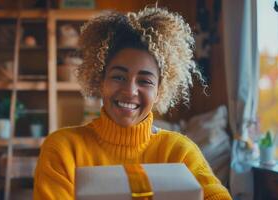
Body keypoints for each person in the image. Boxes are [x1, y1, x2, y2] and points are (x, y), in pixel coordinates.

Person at [34, 6, 232, 200]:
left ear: (159, 90)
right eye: (118, 77)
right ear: (100, 80)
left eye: (145, 81)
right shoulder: (63, 150)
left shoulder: (179, 151)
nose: (130, 91)